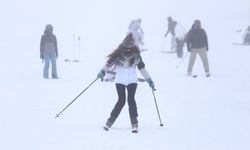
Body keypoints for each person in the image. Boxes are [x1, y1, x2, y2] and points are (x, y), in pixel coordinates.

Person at [97, 33, 155, 133]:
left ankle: (134, 123)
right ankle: (110, 121)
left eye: (130, 46)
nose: (128, 48)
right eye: (127, 45)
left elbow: (141, 68)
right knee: (121, 101)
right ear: (124, 44)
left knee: (131, 100)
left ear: (132, 45)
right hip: (120, 81)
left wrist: (149, 79)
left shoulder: (136, 54)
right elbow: (109, 64)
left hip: (132, 81)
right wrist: (102, 71)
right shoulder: (119, 53)